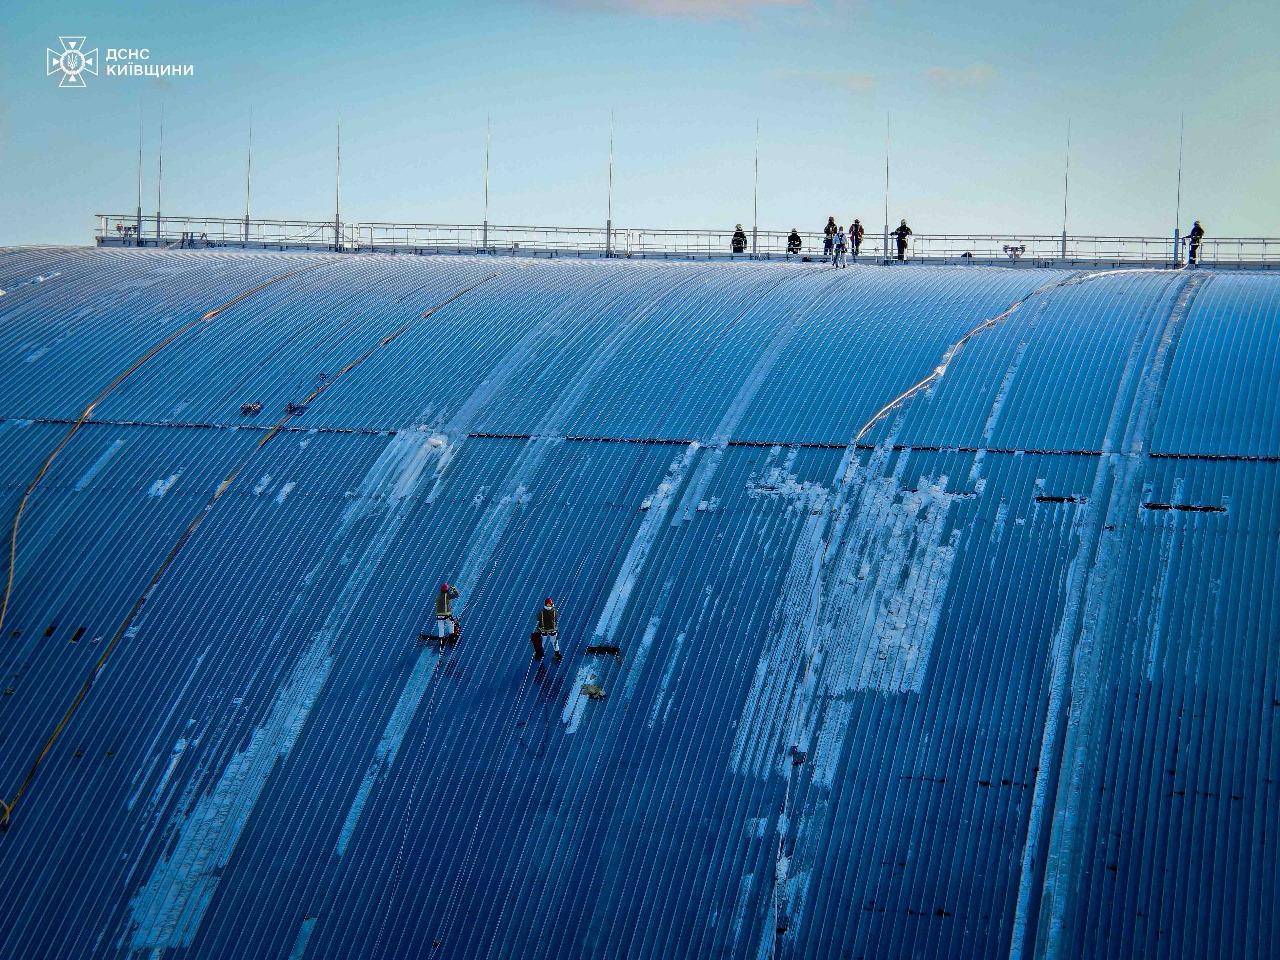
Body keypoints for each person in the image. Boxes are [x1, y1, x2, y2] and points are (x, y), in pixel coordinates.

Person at [531, 597, 562, 663]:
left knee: (542, 642)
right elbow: (556, 618)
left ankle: (540, 654)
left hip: (543, 630)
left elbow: (538, 618)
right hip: (553, 630)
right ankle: (557, 654)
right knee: (554, 642)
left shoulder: (541, 612)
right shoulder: (554, 612)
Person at [430, 582, 460, 648]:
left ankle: (441, 641)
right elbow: (457, 595)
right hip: (446, 615)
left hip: (438, 615)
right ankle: (452, 639)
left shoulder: (438, 596)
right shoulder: (447, 595)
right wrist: (454, 588)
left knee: (441, 627)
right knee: (450, 624)